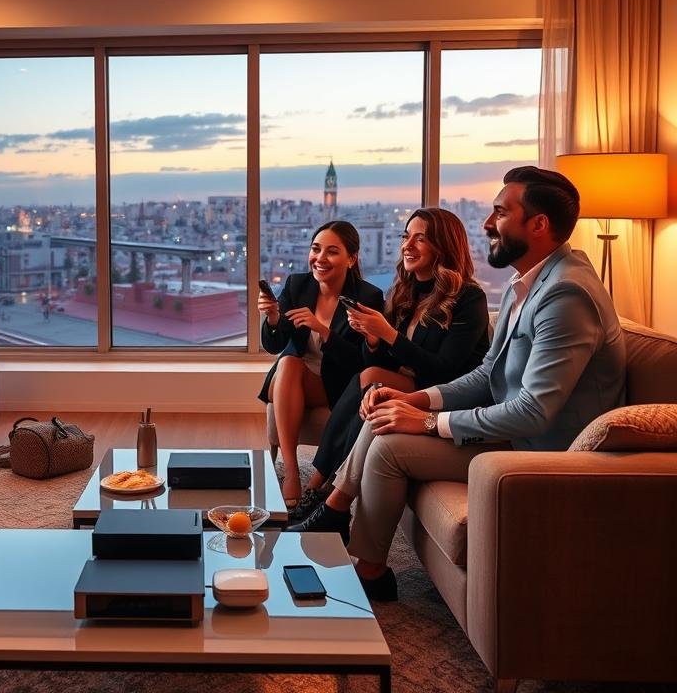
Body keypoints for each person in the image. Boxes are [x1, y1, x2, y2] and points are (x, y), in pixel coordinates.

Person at [289, 166, 627, 602]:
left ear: (538, 225)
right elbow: (490, 372)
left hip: (541, 451)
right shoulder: (526, 283)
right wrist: (415, 398)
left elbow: (533, 412)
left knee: (391, 443)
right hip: (514, 431)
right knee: (386, 409)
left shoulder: (567, 295)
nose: (487, 223)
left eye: (501, 213)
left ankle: (358, 550)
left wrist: (430, 423)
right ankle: (349, 535)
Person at [289, 208, 490, 523]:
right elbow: (379, 362)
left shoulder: (468, 298)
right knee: (368, 375)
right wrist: (372, 338)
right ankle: (321, 486)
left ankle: (323, 492)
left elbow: (445, 370)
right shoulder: (405, 292)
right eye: (406, 236)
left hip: (443, 395)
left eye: (420, 239)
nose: (408, 245)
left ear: (444, 245)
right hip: (405, 384)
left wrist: (388, 334)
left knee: (371, 378)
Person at [257, 220, 384, 509]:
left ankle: (314, 479)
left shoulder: (367, 297)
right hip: (297, 376)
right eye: (316, 249)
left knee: (289, 364)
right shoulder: (298, 285)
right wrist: (274, 318)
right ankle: (291, 470)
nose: (320, 258)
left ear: (351, 259)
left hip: (338, 384)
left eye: (332, 252)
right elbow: (274, 345)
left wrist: (324, 331)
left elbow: (363, 362)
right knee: (287, 361)